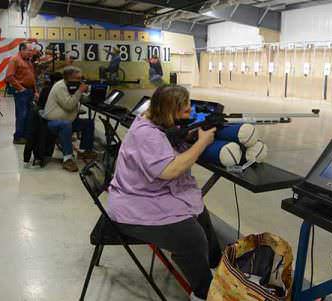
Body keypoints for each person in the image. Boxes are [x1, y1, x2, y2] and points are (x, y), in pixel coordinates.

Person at [106, 85, 222, 301]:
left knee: (200, 213)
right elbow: (171, 170)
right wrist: (202, 142)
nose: (190, 111)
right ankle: (204, 292)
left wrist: (187, 134)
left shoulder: (151, 120)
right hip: (133, 207)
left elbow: (168, 137)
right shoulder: (146, 135)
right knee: (192, 237)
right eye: (185, 109)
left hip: (145, 195)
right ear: (169, 111)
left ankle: (217, 269)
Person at [42, 66, 97, 172]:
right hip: (52, 122)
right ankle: (67, 159)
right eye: (77, 79)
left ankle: (86, 150)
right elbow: (69, 105)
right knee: (65, 125)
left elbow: (81, 99)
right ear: (68, 78)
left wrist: (93, 94)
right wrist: (80, 91)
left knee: (88, 123)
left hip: (67, 120)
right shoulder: (60, 87)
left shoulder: (71, 86)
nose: (80, 81)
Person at [6, 42, 37, 144]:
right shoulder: (14, 60)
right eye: (29, 50)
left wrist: (35, 91)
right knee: (21, 114)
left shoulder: (28, 61)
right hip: (22, 92)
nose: (31, 53)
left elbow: (32, 77)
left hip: (30, 91)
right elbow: (9, 76)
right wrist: (20, 88)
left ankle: (26, 136)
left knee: (29, 115)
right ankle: (18, 137)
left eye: (31, 51)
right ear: (22, 50)